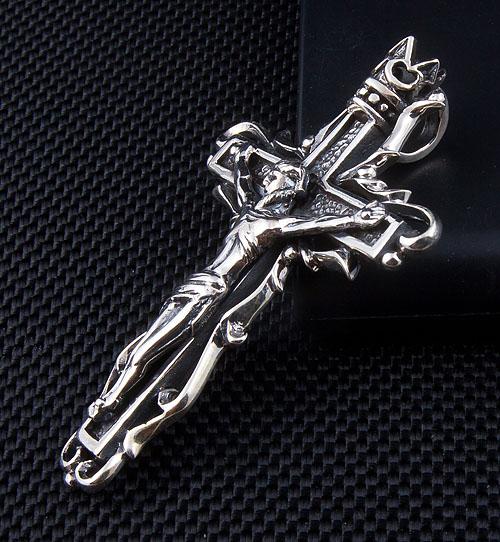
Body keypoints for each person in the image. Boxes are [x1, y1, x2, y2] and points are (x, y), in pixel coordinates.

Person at [90, 144, 386, 414]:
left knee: (149, 348)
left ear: (288, 187)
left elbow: (315, 224)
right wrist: (242, 158)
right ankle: (109, 398)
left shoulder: (271, 224)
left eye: (277, 175)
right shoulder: (251, 210)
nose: (269, 176)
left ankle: (110, 401)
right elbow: (242, 181)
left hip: (209, 291)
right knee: (140, 348)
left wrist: (355, 220)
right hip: (197, 285)